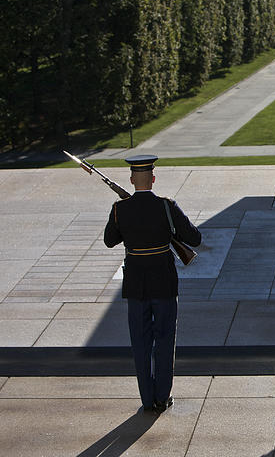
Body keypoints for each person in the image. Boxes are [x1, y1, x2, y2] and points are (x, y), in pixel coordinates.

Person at [103, 155, 202, 415]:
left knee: (140, 341)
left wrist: (127, 218)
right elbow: (195, 237)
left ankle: (147, 399)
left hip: (136, 285)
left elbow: (109, 241)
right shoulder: (167, 206)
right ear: (153, 178)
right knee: (165, 339)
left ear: (132, 179)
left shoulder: (119, 208)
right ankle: (162, 396)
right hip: (164, 283)